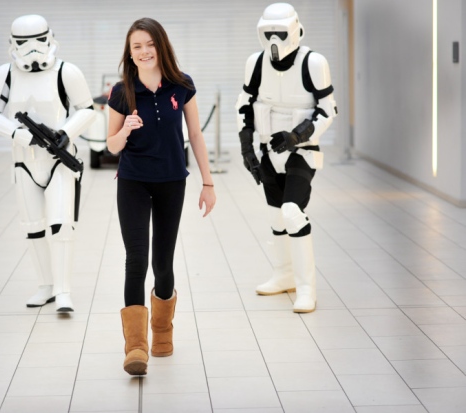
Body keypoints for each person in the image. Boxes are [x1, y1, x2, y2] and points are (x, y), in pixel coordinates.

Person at [107, 17, 216, 376]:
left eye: (148, 44)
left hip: (172, 181)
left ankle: (163, 331)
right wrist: (124, 129)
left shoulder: (181, 85)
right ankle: (135, 346)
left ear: (160, 46)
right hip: (133, 182)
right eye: (136, 46)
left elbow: (196, 135)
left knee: (163, 264)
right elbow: (111, 146)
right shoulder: (122, 92)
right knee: (135, 260)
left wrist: (208, 183)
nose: (143, 52)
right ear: (130, 52)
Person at [0, 15, 95, 312]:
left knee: (62, 226)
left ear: (50, 38)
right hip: (23, 163)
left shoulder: (66, 72)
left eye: (38, 41)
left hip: (59, 160)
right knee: (33, 227)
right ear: (13, 44)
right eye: (24, 43)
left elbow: (87, 109)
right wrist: (18, 134)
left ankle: (63, 290)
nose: (32, 49)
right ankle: (46, 285)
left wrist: (66, 133)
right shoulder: (4, 74)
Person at [235, 3, 337, 313]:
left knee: (293, 212)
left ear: (296, 31)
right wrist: (245, 146)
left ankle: (307, 289)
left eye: (280, 33)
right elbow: (246, 104)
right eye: (268, 34)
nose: (274, 41)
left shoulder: (313, 63)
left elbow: (328, 109)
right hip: (268, 151)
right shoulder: (256, 63)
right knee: (275, 216)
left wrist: (297, 135)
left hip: (301, 152)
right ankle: (284, 275)